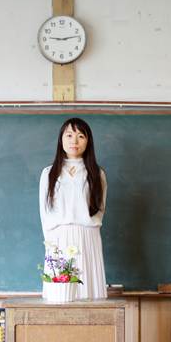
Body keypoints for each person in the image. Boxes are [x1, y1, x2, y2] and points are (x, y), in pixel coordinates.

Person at [39, 118, 108, 300]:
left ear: (88, 141)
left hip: (87, 237)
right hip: (58, 238)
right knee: (60, 296)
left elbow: (99, 209)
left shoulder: (97, 173)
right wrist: (50, 246)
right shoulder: (49, 173)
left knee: (88, 293)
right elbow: (44, 213)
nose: (74, 141)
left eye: (80, 136)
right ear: (61, 140)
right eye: (69, 135)